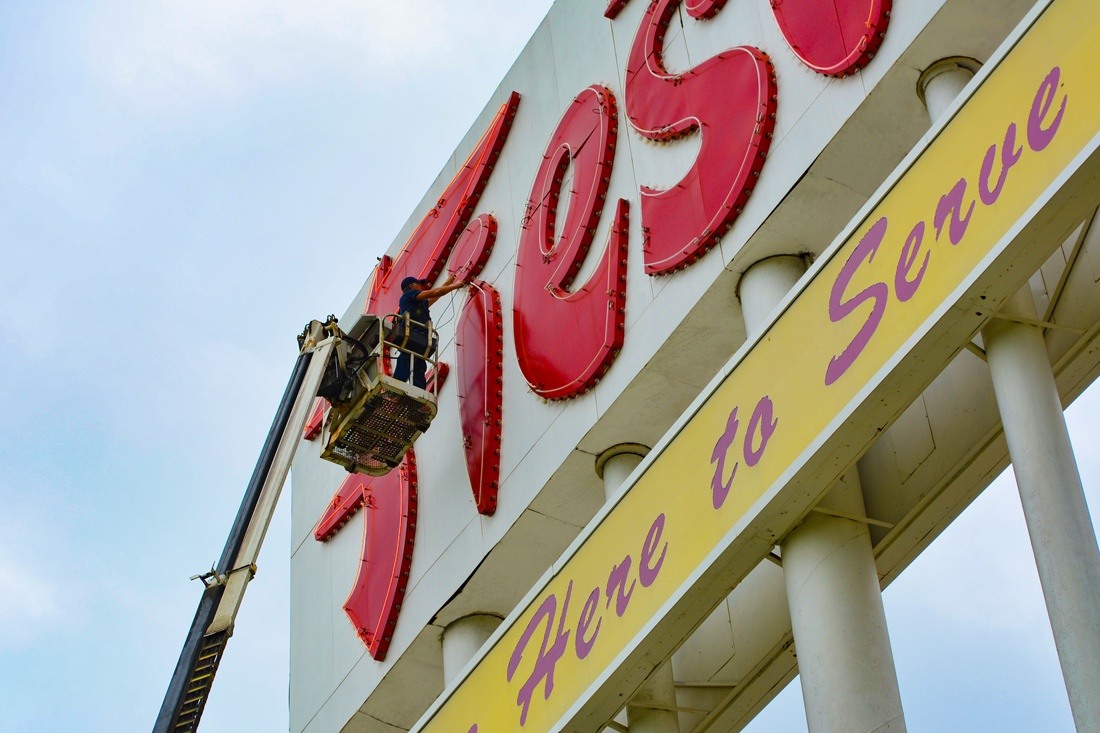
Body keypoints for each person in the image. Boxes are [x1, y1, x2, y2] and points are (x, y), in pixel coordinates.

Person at [392, 273, 466, 389]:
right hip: (412, 335)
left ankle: (415, 395)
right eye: (419, 285)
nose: (422, 287)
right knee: (406, 360)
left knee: (418, 365)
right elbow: (433, 293)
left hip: (418, 338)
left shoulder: (417, 302)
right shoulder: (409, 295)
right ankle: (394, 391)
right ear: (412, 286)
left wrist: (449, 282)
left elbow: (435, 296)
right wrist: (456, 286)